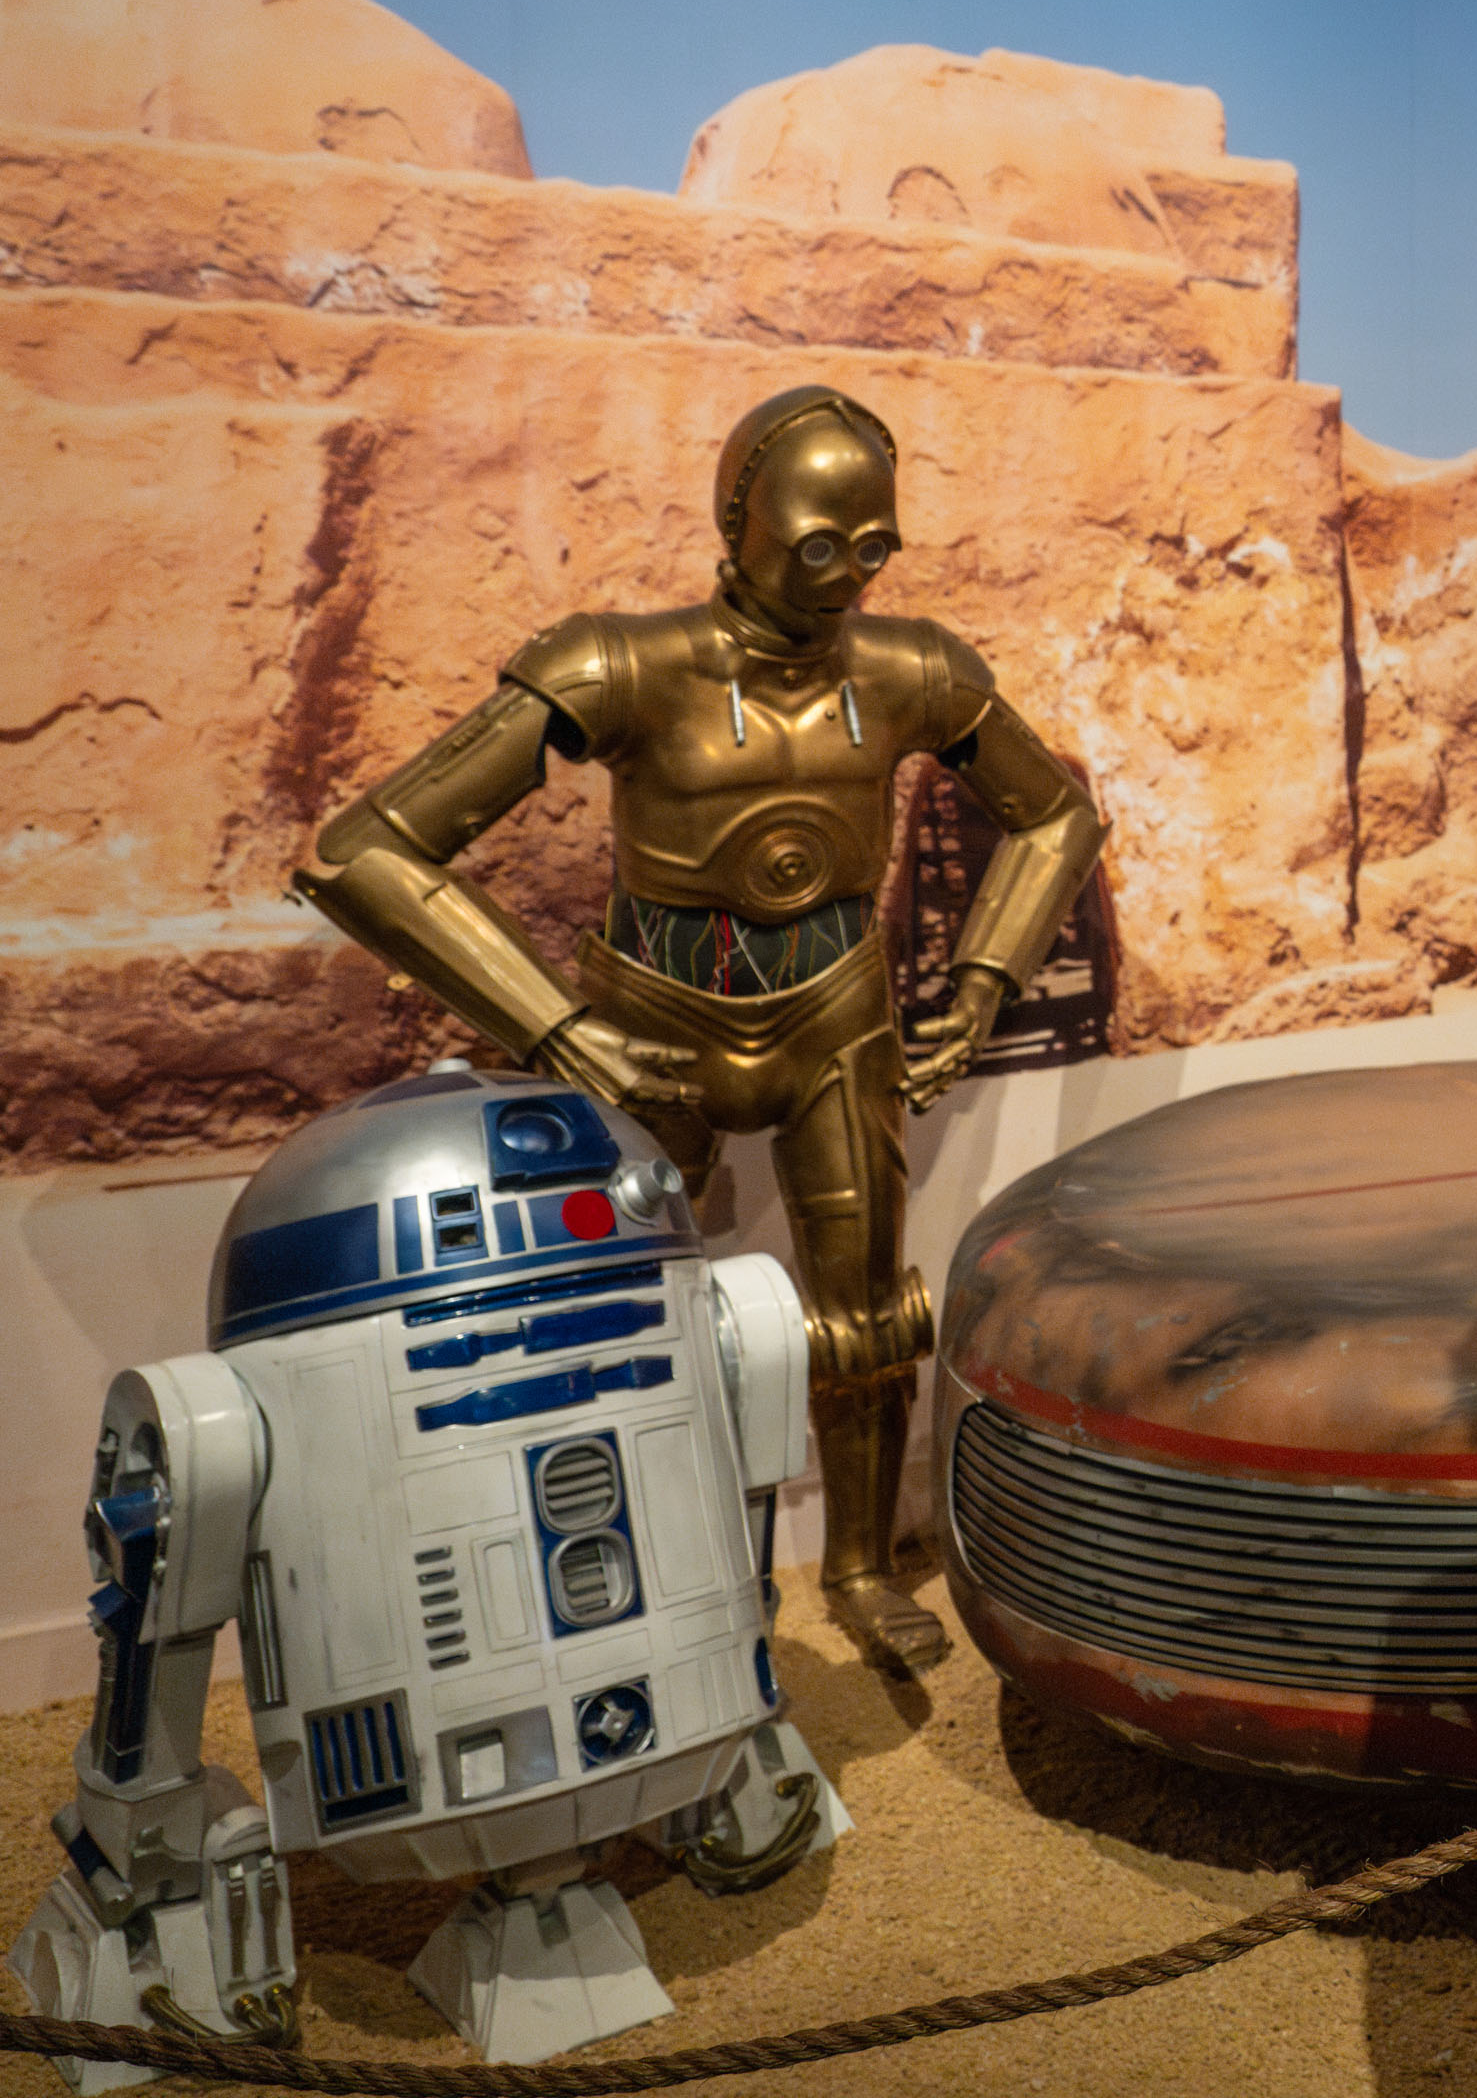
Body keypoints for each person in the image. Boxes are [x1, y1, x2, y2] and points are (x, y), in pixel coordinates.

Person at [295, 384, 1104, 1674]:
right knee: (624, 1322)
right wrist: (558, 1028)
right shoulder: (622, 666)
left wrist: (983, 980)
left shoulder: (910, 671)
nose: (848, 578)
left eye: (874, 548)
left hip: (836, 1014)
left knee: (867, 1319)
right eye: (819, 545)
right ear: (743, 522)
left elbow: (1055, 813)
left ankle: (858, 1566)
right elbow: (364, 851)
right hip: (651, 1021)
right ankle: (665, 1577)